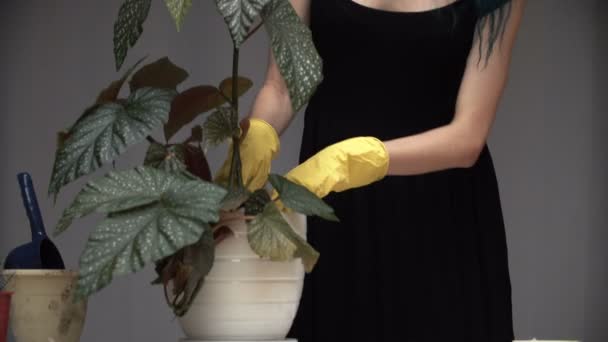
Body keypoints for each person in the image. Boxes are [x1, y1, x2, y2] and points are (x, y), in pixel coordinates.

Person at [215, 0, 526, 340]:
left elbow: (468, 137)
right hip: (336, 215)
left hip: (439, 221)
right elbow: (281, 87)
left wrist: (352, 160)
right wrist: (255, 138)